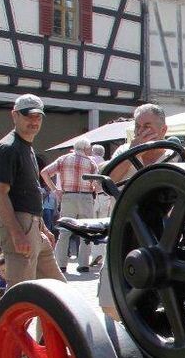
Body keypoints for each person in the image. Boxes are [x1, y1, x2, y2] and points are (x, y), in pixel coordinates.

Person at [98, 104, 177, 320]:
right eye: (138, 126)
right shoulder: (124, 152)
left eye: (148, 126)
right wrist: (134, 149)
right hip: (123, 230)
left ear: (163, 130)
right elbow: (107, 183)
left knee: (148, 299)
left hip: (159, 236)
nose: (142, 131)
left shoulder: (174, 157)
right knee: (110, 302)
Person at [0, 94, 65, 286]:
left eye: (38, 116)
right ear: (14, 116)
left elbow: (27, 192)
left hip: (33, 225)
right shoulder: (8, 148)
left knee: (57, 291)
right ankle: (5, 314)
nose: (34, 121)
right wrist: (17, 233)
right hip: (20, 224)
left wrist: (43, 228)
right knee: (21, 291)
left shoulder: (26, 146)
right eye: (28, 115)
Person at [40, 136, 98, 273]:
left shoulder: (64, 159)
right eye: (89, 148)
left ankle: (61, 265)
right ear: (85, 148)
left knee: (65, 231)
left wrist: (55, 190)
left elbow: (44, 172)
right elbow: (95, 184)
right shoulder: (91, 163)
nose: (90, 151)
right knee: (86, 232)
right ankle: (83, 264)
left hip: (68, 197)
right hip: (85, 198)